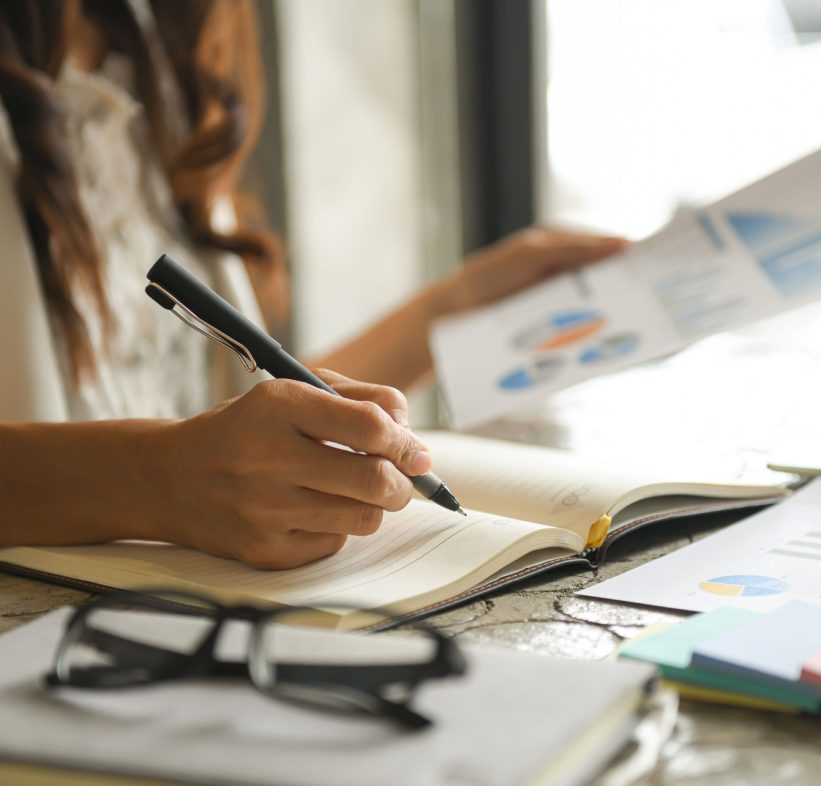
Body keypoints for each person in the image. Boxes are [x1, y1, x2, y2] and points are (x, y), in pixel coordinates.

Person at [0, 0, 627, 569]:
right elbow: (184, 463)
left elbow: (224, 439)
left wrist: (457, 307)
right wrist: (154, 479)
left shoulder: (153, 55)